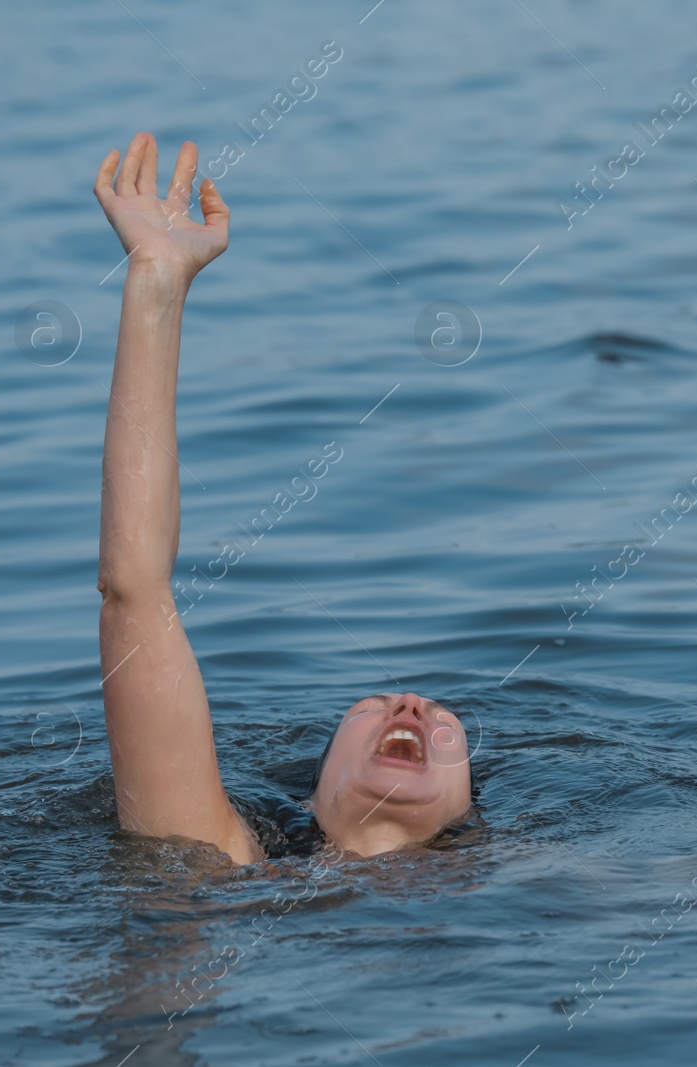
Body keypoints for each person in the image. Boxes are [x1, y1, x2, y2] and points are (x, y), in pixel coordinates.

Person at [93, 132, 472, 865]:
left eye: (440, 719)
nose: (410, 707)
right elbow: (132, 593)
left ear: (467, 802)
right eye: (369, 711)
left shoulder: (566, 891)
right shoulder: (229, 864)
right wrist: (156, 284)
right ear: (314, 790)